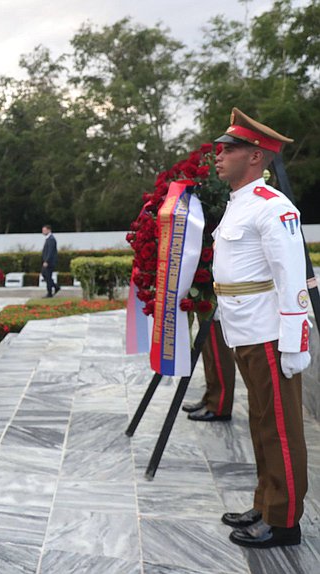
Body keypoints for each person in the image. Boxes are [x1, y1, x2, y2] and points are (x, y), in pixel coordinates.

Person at [211, 108, 309, 549]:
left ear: (256, 156)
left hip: (270, 333)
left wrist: (295, 342)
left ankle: (285, 521)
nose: (219, 155)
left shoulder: (275, 208)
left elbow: (291, 277)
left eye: (229, 149)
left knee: (280, 428)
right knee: (261, 423)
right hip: (245, 330)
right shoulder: (240, 204)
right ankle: (266, 502)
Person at [182, 318, 236, 422]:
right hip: (214, 307)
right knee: (210, 352)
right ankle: (211, 398)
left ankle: (220, 406)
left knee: (218, 354)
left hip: (220, 309)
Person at [41, 224, 59, 298]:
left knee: (48, 276)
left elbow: (50, 252)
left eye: (44, 230)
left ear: (49, 230)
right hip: (47, 262)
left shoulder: (51, 239)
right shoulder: (48, 239)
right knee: (45, 275)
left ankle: (49, 293)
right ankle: (55, 286)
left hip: (49, 262)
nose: (43, 232)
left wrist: (47, 261)